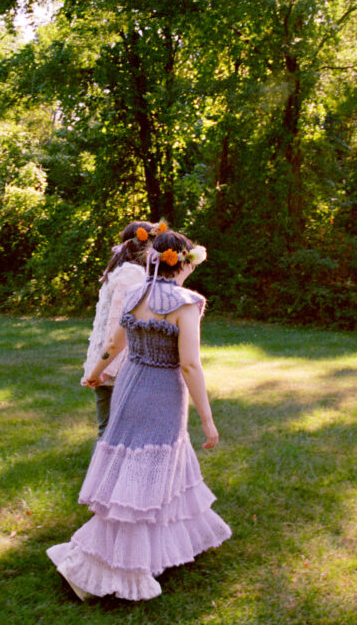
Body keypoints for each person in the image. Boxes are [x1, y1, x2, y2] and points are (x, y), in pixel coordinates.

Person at [48, 228, 231, 601]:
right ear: (182, 262)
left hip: (130, 389)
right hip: (162, 394)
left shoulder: (136, 293)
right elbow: (191, 366)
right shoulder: (186, 303)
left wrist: (95, 373)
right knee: (146, 477)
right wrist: (207, 420)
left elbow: (115, 343)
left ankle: (167, 548)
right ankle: (103, 567)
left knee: (146, 468)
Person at [82, 221, 157, 437]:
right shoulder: (131, 274)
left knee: (115, 432)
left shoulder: (122, 271)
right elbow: (117, 326)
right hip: (116, 368)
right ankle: (105, 472)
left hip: (113, 364)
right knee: (112, 434)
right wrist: (105, 370)